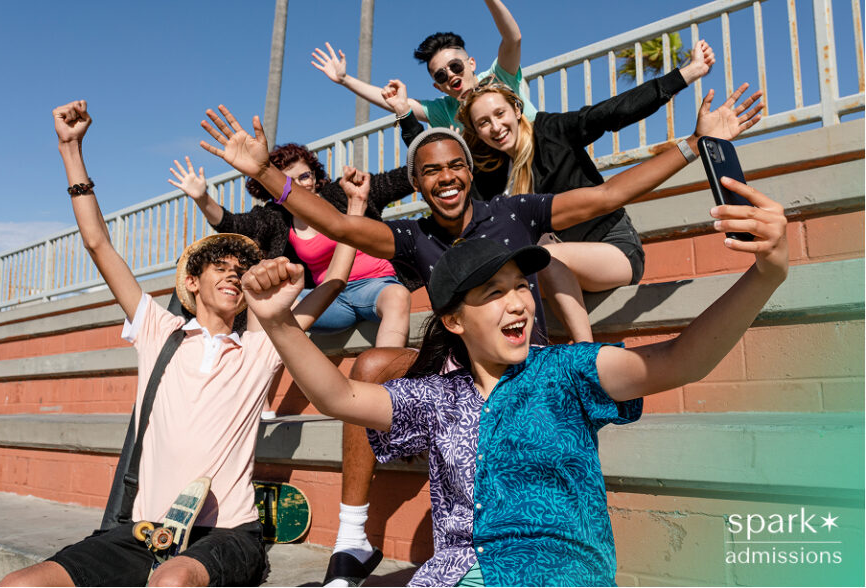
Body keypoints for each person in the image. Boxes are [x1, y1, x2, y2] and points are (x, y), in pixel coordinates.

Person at [197, 85, 760, 585]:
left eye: (454, 166)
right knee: (368, 370)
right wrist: (264, 174)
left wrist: (693, 145)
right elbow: (341, 225)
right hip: (450, 368)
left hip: (521, 365)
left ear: (471, 168)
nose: (445, 178)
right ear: (417, 183)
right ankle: (352, 536)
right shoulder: (413, 234)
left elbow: (607, 199)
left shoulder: (514, 213)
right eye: (431, 171)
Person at [0, 101, 359, 588]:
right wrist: (71, 149)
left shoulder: (261, 344)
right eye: (220, 266)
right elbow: (98, 244)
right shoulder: (158, 330)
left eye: (240, 268)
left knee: (170, 582)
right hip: (144, 532)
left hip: (228, 534)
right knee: (20, 584)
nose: (233, 271)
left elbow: (335, 279)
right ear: (191, 282)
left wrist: (353, 210)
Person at [384, 40, 720, 341]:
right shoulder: (490, 174)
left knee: (541, 256)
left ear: (516, 110)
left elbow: (615, 111)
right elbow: (436, 166)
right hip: (553, 266)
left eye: (500, 114)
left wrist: (687, 73)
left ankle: (584, 354)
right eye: (484, 123)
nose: (496, 127)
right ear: (476, 133)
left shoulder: (554, 131)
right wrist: (404, 115)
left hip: (611, 248)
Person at [169, 148, 411, 349]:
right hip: (329, 299)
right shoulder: (277, 218)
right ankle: (260, 403)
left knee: (398, 296)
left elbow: (399, 179)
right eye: (287, 182)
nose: (299, 186)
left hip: (376, 286)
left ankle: (390, 386)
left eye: (304, 176)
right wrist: (202, 198)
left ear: (315, 178)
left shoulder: (340, 193)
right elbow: (232, 224)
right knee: (267, 305)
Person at [312, 0, 534, 130]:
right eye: (440, 75)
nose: (450, 75)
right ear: (438, 87)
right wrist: (344, 79)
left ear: (472, 63)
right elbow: (393, 101)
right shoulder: (445, 110)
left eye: (455, 66)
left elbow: (513, 40)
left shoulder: (498, 78)